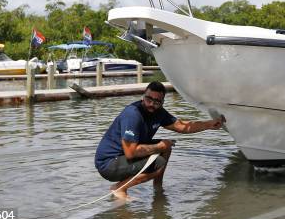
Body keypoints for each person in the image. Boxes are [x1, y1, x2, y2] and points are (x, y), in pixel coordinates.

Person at [95, 81, 225, 199]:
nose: (151, 104)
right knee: (159, 163)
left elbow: (181, 126)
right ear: (143, 97)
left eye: (157, 102)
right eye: (149, 99)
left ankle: (158, 187)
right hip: (108, 164)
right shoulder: (133, 114)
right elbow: (130, 152)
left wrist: (209, 124)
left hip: (124, 156)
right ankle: (119, 188)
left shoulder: (159, 113)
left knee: (167, 148)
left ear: (162, 102)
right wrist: (160, 147)